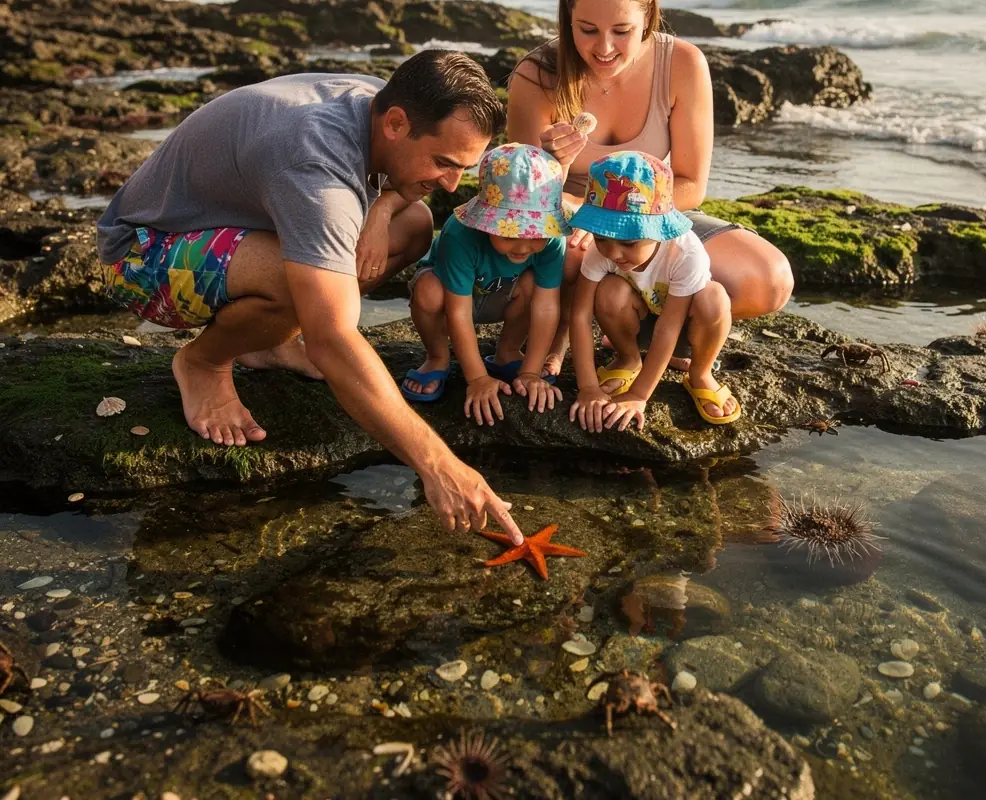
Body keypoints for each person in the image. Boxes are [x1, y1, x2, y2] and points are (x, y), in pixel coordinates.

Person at [95, 51, 524, 545]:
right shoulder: (315, 168)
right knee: (295, 285)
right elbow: (333, 341)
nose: (452, 184)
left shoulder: (378, 99)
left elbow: (403, 198)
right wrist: (438, 464)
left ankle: (268, 340)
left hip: (229, 227)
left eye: (463, 168)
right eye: (444, 163)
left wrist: (384, 207)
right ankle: (204, 363)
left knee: (413, 226)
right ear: (397, 123)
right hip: (140, 257)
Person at [506, 0, 794, 377]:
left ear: (649, 16)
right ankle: (571, 329)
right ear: (567, 18)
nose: (603, 48)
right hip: (571, 222)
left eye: (621, 31)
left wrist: (622, 219)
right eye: (586, 29)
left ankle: (641, 326)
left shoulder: (682, 64)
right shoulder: (536, 76)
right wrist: (557, 181)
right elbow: (518, 194)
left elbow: (692, 183)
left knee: (768, 279)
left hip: (658, 213)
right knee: (567, 258)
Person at [568, 151, 741, 432]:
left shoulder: (684, 252)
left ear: (659, 230)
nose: (613, 252)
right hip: (633, 327)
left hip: (685, 330)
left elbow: (668, 329)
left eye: (630, 242)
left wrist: (639, 395)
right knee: (609, 290)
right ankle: (628, 358)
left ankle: (700, 372)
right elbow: (579, 314)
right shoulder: (604, 252)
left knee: (714, 297)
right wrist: (587, 386)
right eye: (600, 237)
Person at [401, 142, 568, 424]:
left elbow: (547, 307)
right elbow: (458, 311)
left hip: (504, 296)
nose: (523, 246)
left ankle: (508, 352)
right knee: (428, 291)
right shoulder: (460, 234)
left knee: (532, 284)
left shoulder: (552, 241)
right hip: (453, 300)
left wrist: (531, 372)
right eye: (509, 233)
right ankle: (438, 357)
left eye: (534, 234)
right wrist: (477, 378)